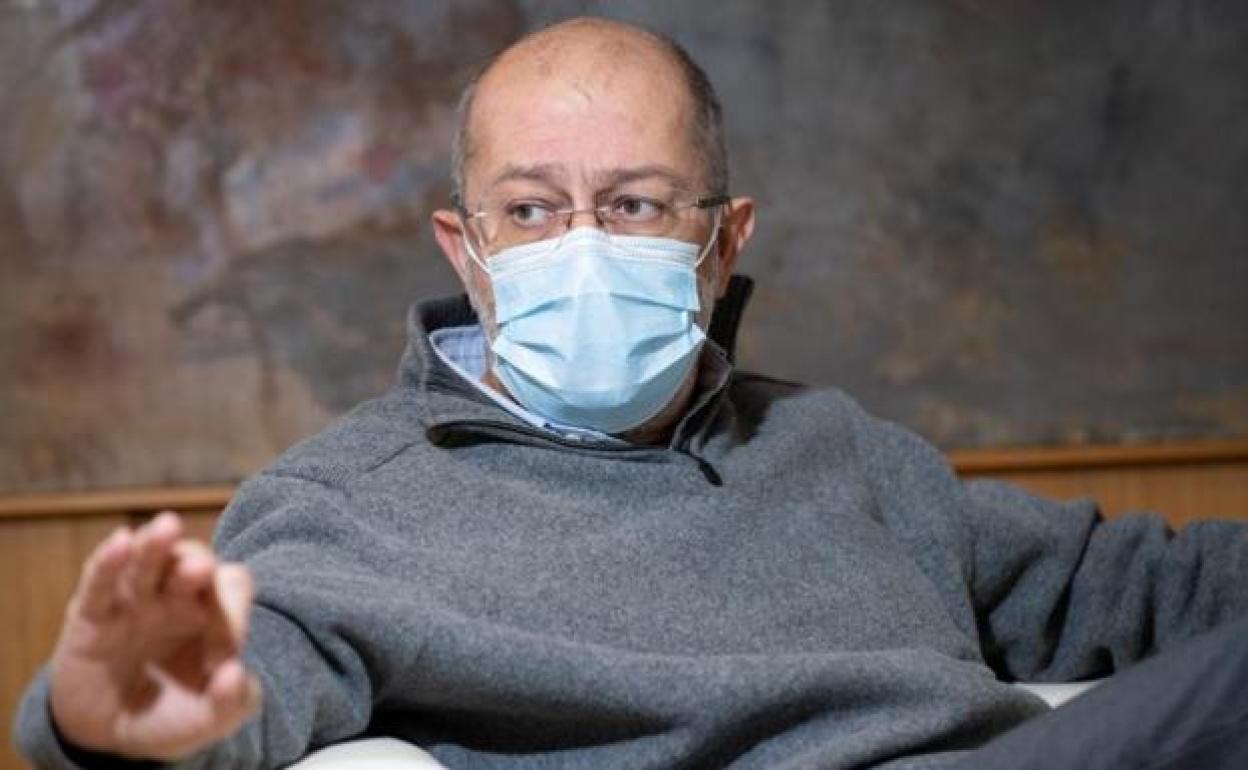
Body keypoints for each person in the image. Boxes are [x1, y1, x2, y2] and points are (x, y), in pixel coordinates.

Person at [14, 16, 1248, 770]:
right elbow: (236, 678)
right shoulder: (348, 506)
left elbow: (1144, 585)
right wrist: (106, 721)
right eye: (531, 210)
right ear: (466, 248)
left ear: (723, 238)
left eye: (637, 202)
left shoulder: (840, 447)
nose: (584, 245)